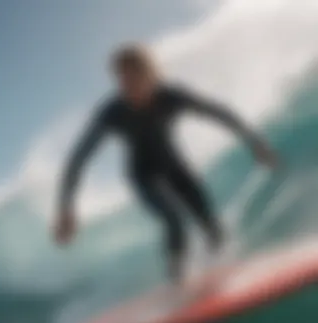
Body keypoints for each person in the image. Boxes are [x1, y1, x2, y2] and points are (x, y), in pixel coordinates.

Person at [53, 43, 277, 284]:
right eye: (122, 79)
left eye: (134, 77)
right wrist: (66, 207)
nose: (128, 86)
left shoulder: (170, 96)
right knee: (174, 220)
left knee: (211, 224)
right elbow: (78, 158)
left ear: (151, 74)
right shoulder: (113, 112)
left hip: (174, 166)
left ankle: (219, 271)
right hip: (142, 175)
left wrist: (255, 142)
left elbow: (218, 113)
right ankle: (177, 279)